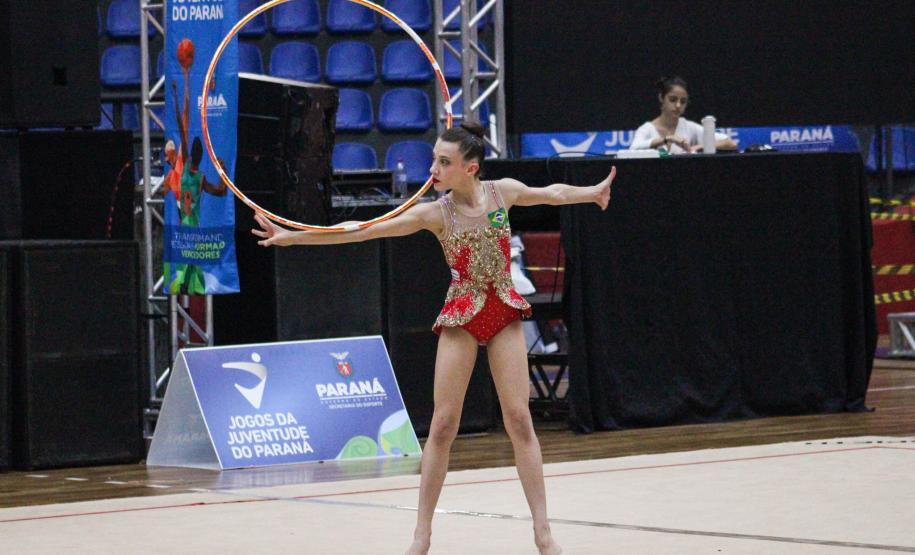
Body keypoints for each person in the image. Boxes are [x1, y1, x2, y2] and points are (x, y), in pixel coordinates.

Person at [252, 122, 615, 555]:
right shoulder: (436, 214)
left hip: (502, 308)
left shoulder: (503, 193)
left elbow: (552, 193)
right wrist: (293, 237)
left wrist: (592, 192)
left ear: (470, 168)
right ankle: (421, 534)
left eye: (444, 162)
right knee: (443, 425)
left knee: (520, 420)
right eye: (434, 160)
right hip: (462, 314)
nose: (433, 170)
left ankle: (543, 532)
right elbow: (365, 228)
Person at [629, 76, 738, 153]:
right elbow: (632, 149)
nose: (678, 105)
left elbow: (730, 143)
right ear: (661, 98)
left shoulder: (689, 127)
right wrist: (667, 139)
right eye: (672, 99)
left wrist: (697, 147)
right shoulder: (647, 129)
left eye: (683, 101)